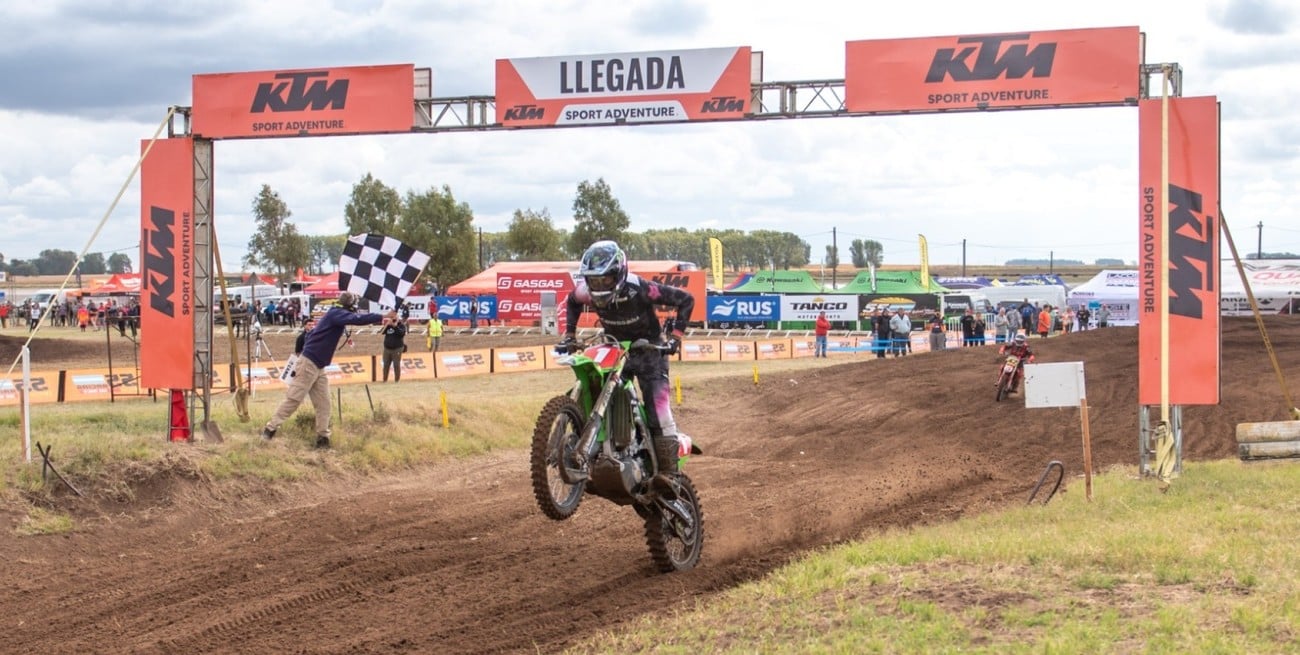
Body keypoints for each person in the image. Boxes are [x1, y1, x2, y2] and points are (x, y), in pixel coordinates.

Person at [562, 240, 694, 496]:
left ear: (620, 273)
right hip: (616, 349)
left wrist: (675, 337)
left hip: (650, 351)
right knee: (596, 386)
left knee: (657, 406)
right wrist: (569, 334)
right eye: (594, 280)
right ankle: (596, 449)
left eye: (605, 280)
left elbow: (685, 300)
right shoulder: (585, 292)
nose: (599, 286)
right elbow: (571, 301)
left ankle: (669, 474)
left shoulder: (641, 289)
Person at [261, 292, 394, 449]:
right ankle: (269, 430)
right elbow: (356, 319)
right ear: (349, 306)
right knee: (294, 399)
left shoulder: (335, 313)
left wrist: (384, 318)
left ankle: (323, 438)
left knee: (324, 404)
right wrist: (382, 316)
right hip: (310, 363)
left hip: (318, 366)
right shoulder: (336, 314)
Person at [380, 312, 408, 383]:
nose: (393, 319)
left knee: (396, 364)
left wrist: (395, 326)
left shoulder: (401, 326)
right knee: (386, 364)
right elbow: (382, 332)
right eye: (392, 318)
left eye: (395, 317)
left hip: (397, 348)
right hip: (387, 348)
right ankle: (384, 380)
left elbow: (401, 334)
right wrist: (387, 324)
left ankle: (396, 380)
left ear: (398, 318)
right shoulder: (389, 326)